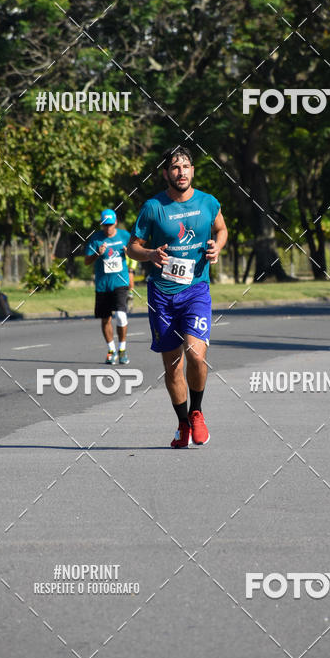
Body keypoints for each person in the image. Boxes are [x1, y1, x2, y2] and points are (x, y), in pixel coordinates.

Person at [128, 145, 228, 448]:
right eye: (174, 167)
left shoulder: (208, 202)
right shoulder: (153, 207)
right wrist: (148, 253)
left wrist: (217, 247)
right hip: (161, 294)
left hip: (196, 289)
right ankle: (182, 423)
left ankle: (196, 412)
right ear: (165, 173)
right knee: (172, 365)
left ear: (193, 171)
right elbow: (132, 246)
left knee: (196, 354)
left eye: (185, 166)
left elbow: (222, 229)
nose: (180, 172)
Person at [85, 209, 132, 365]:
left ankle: (122, 349)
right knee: (106, 318)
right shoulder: (96, 239)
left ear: (116, 223)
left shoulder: (125, 236)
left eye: (111, 225)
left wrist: (129, 251)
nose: (108, 228)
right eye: (105, 225)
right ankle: (111, 350)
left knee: (121, 315)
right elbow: (86, 261)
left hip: (120, 282)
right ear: (102, 225)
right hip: (103, 285)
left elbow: (136, 252)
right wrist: (97, 254)